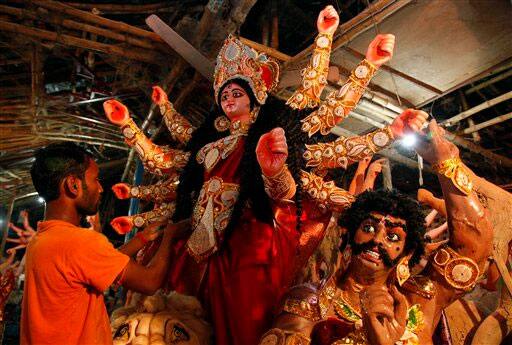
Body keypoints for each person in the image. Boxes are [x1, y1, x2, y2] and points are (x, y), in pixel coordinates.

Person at [259, 120, 493, 345]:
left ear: (408, 252)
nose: (377, 239)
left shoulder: (420, 299)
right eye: (369, 227)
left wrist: (446, 163)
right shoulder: (310, 303)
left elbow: (474, 246)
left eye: (393, 237)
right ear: (349, 235)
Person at [21, 142, 188, 345]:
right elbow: (149, 282)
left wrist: (141, 239)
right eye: (95, 179)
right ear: (73, 185)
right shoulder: (80, 242)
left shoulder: (42, 239)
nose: (100, 188)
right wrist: (170, 236)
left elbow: (99, 265)